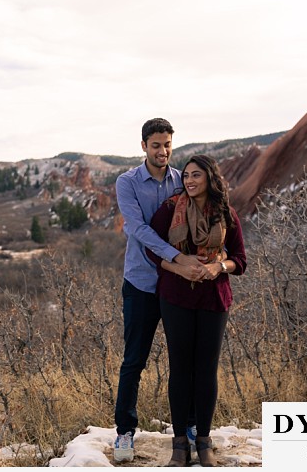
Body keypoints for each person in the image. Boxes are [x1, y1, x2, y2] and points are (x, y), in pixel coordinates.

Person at [112, 118, 204, 463]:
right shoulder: (128, 182)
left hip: (179, 285)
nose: (162, 151)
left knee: (185, 359)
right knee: (134, 360)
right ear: (143, 146)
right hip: (142, 282)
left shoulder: (183, 180)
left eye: (167, 144)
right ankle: (124, 432)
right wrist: (177, 256)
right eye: (155, 145)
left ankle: (190, 427)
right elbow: (136, 229)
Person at [147, 154, 247, 467]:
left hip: (213, 298)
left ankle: (203, 442)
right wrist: (178, 268)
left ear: (209, 179)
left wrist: (219, 266)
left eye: (196, 176)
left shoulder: (225, 213)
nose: (189, 181)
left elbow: (240, 260)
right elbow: (151, 249)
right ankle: (179, 445)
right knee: (180, 369)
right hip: (176, 296)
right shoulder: (168, 210)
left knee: (206, 370)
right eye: (186, 175)